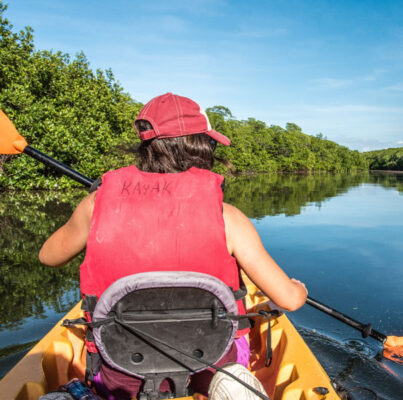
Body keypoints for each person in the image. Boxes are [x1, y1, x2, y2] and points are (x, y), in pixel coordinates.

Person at [39, 92, 308, 399]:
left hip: (121, 376)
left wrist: (96, 204)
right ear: (200, 146)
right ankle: (231, 381)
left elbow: (47, 256)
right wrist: (298, 288)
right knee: (229, 356)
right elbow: (288, 300)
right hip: (212, 367)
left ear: (145, 145)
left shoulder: (95, 206)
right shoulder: (228, 218)